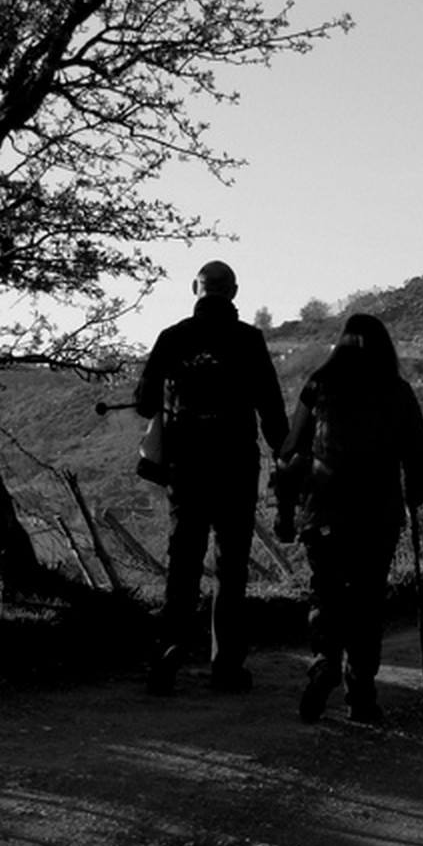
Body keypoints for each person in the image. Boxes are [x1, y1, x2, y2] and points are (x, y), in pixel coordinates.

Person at [135, 260, 288, 695]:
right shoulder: (249, 340)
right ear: (233, 292)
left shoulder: (173, 337)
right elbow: (271, 409)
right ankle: (227, 666)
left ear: (195, 289)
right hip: (236, 464)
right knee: (231, 566)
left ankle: (168, 654)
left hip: (186, 466)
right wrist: (286, 455)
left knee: (183, 561)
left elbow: (144, 403)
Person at [275, 313, 423, 725]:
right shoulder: (396, 390)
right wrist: (415, 494)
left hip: (323, 512)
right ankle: (361, 696)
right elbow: (419, 449)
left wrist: (287, 510)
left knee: (326, 592)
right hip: (378, 516)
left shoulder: (319, 385)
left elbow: (291, 450)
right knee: (367, 600)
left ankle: (324, 658)